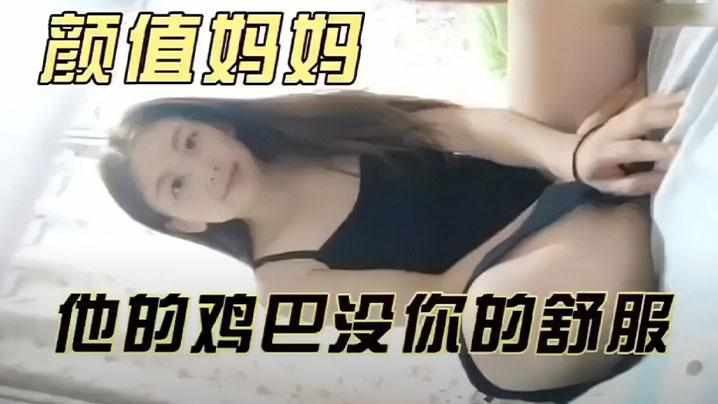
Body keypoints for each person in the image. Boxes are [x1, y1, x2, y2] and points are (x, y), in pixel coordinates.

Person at [99, 1, 684, 402]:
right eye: (177, 185)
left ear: (217, 125)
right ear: (183, 222)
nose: (203, 169)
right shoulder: (286, 284)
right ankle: (623, 170)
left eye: (191, 141)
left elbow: (468, 128)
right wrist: (567, 191)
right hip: (510, 285)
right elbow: (442, 299)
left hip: (543, 178)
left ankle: (619, 163)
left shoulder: (320, 125)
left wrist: (571, 157)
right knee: (498, 319)